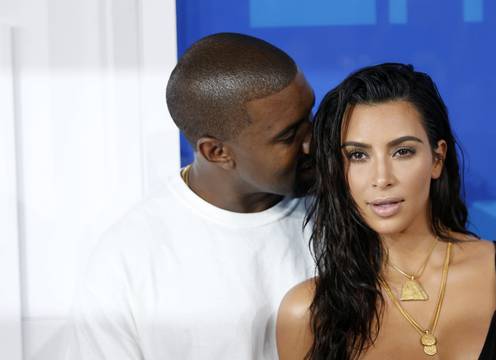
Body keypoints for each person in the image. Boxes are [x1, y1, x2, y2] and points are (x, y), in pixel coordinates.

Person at [276, 63, 496, 359]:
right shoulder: (308, 313)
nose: (382, 178)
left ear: (436, 158)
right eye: (358, 155)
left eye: (402, 151)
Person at [66, 33, 315, 359]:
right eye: (289, 136)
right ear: (217, 152)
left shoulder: (351, 212)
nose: (314, 142)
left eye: (310, 115)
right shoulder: (128, 260)